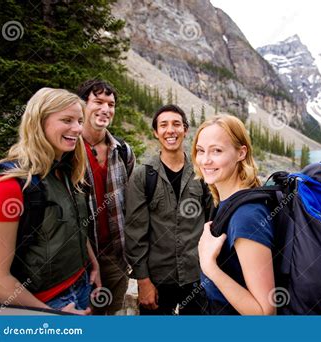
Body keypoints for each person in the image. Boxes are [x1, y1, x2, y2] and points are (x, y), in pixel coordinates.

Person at [0, 87, 100, 315]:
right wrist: (53, 316)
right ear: (38, 122)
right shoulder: (9, 186)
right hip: (43, 303)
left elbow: (73, 222)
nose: (77, 129)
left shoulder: (66, 172)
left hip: (81, 284)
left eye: (80, 121)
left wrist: (93, 264)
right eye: (67, 120)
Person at [125, 104, 209, 315]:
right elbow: (135, 233)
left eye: (176, 124)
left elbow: (212, 224)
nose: (170, 130)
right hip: (157, 279)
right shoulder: (142, 176)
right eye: (163, 125)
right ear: (155, 132)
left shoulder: (203, 174)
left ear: (185, 130)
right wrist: (143, 281)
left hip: (197, 277)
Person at [192, 114, 276, 315]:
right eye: (200, 151)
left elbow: (265, 312)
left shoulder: (247, 216)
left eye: (217, 151)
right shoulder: (225, 202)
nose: (205, 160)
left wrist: (209, 266)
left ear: (241, 153)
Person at [77, 79, 135, 315]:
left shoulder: (123, 151)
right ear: (82, 105)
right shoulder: (68, 150)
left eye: (110, 104)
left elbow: (132, 203)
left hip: (115, 258)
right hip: (79, 262)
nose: (105, 109)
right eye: (98, 102)